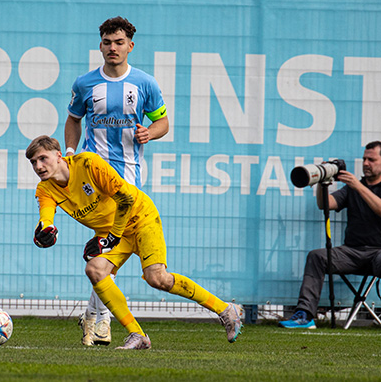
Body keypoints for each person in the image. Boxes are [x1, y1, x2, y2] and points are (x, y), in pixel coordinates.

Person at [26, 136, 242, 349]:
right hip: (113, 233)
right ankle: (137, 335)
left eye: (43, 158)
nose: (38, 166)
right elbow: (46, 217)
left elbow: (126, 200)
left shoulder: (88, 163)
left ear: (58, 155)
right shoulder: (44, 189)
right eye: (33, 162)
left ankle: (225, 310)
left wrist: (110, 239)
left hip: (140, 217)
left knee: (157, 278)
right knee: (95, 270)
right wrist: (45, 231)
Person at [64, 16, 169, 346]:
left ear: (130, 46)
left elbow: (163, 122)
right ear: (100, 45)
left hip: (128, 177)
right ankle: (100, 317)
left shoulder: (144, 84)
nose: (113, 48)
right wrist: (69, 151)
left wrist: (149, 132)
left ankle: (96, 316)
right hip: (93, 176)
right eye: (107, 42)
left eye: (119, 42)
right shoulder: (85, 84)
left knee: (108, 247)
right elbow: (73, 119)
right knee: (106, 243)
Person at [279, 141, 381, 329]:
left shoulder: (357, 187)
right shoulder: (352, 188)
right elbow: (326, 204)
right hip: (351, 252)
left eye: (371, 159)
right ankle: (305, 315)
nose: (366, 163)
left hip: (378, 253)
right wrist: (322, 182)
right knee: (317, 257)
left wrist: (358, 187)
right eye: (364, 159)